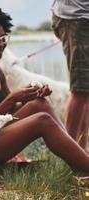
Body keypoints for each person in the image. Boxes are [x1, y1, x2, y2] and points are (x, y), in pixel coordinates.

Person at [0, 8, 89, 176]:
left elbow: (12, 110)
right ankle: (83, 164)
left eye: (3, 38)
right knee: (42, 120)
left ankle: (77, 163)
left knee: (40, 105)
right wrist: (11, 98)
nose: (1, 44)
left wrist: (29, 96)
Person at [51, 0, 89, 152]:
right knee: (80, 89)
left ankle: (81, 150)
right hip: (76, 18)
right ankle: (69, 157)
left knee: (86, 89)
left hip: (78, 18)